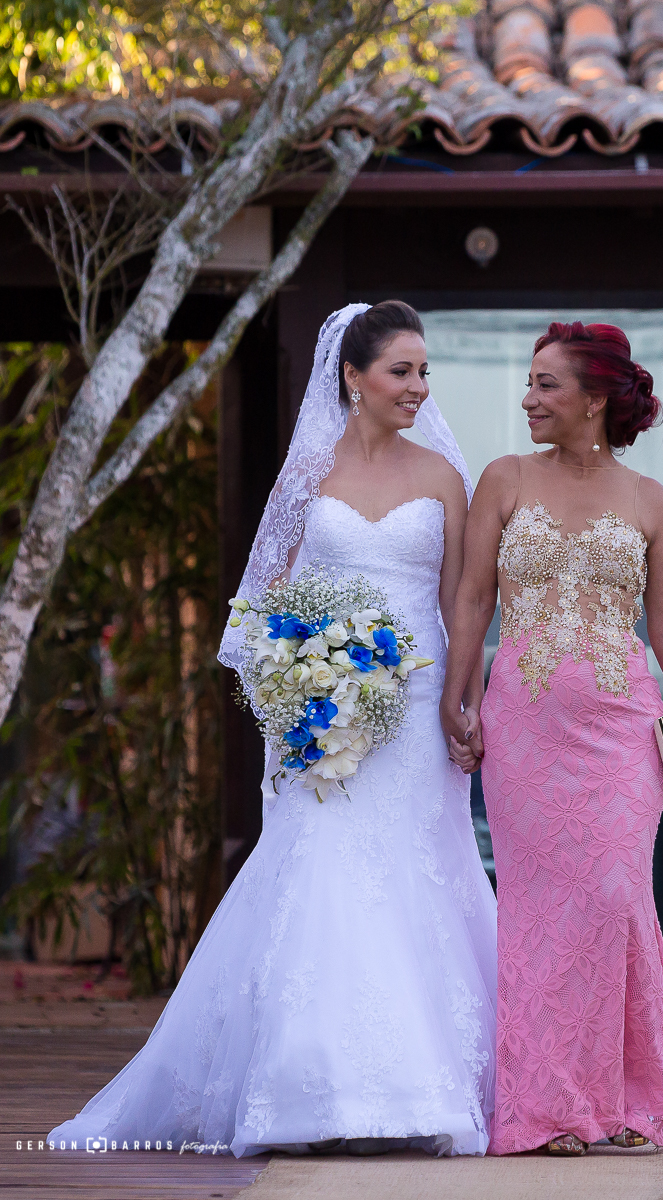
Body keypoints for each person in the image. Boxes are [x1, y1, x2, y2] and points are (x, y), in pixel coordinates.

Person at [47, 301, 497, 1159]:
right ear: (352, 377)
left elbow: (461, 606)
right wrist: (295, 687)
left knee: (418, 872)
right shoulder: (307, 476)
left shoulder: (443, 475)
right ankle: (312, 1087)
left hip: (415, 709)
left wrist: (462, 699)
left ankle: (420, 1088)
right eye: (401, 370)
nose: (417, 387)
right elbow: (258, 608)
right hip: (320, 711)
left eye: (423, 372)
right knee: (323, 870)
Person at [440, 320, 663, 1156]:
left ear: (595, 398)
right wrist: (459, 695)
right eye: (528, 383)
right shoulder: (503, 479)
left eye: (546, 384)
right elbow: (472, 602)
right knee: (537, 912)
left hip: (622, 730)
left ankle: (633, 1098)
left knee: (611, 897)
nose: (527, 398)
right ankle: (547, 1109)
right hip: (523, 728)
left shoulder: (648, 500)